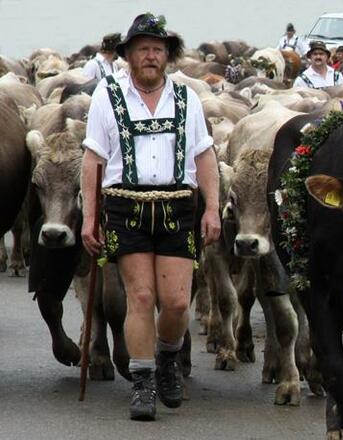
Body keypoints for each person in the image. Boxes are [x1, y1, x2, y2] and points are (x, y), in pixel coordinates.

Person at [80, 12, 220, 422]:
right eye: (143, 48)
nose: (151, 56)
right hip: (126, 204)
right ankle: (143, 384)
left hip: (178, 204)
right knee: (140, 297)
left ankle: (166, 359)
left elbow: (204, 154)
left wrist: (212, 207)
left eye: (158, 49)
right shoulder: (107, 95)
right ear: (128, 55)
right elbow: (93, 158)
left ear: (168, 55)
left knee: (176, 302)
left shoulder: (186, 97)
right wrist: (91, 217)